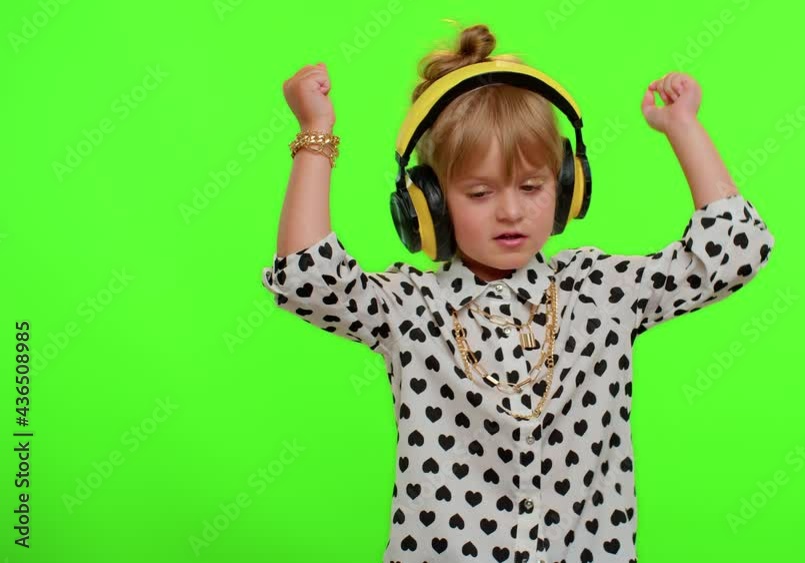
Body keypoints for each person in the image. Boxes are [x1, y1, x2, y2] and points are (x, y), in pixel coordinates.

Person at [261, 22, 774, 563]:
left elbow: (733, 253)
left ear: (567, 186)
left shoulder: (600, 291)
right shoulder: (410, 308)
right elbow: (305, 279)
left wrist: (682, 127)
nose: (510, 211)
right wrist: (315, 135)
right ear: (428, 204)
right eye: (480, 192)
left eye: (531, 186)